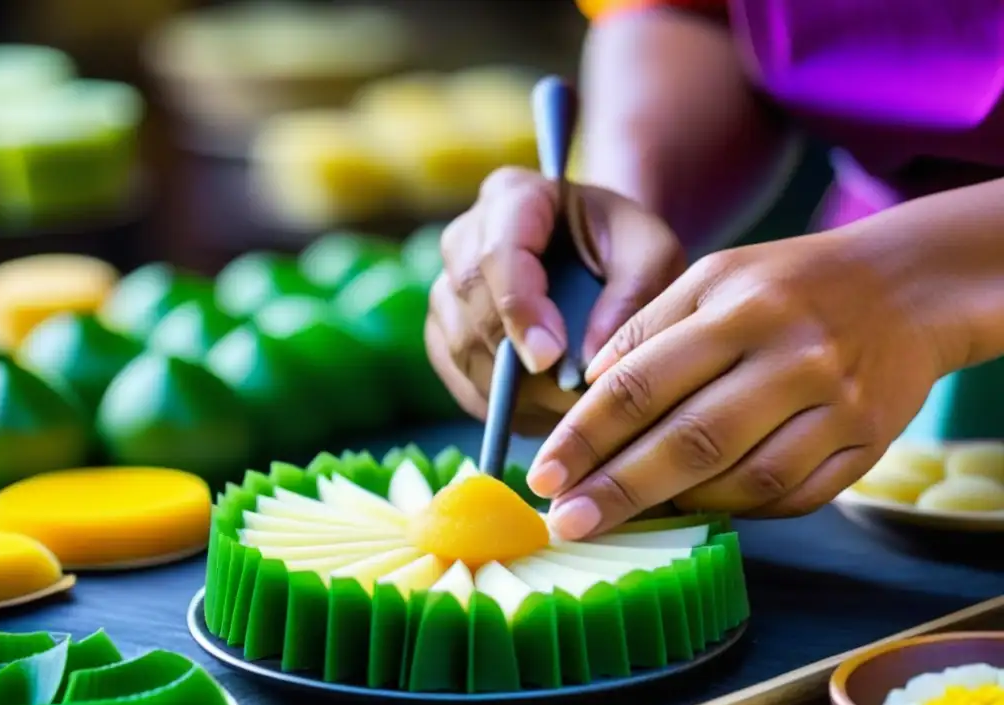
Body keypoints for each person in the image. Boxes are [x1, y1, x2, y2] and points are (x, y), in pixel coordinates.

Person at [425, 0, 1004, 541]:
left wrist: (923, 276)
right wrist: (614, 237)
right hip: (850, 310)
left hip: (887, 284)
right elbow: (697, 12)